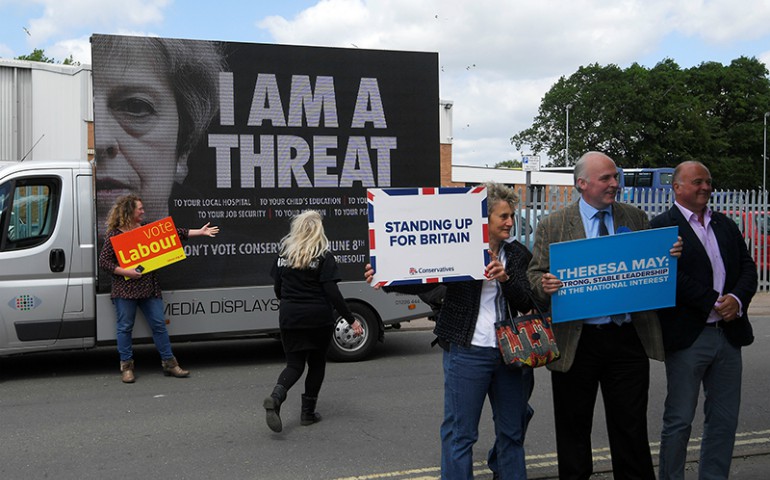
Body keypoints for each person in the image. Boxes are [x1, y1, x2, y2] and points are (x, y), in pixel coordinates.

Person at [365, 182, 535, 480]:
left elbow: (526, 300)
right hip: (467, 351)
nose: (511, 222)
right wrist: (386, 277)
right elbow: (425, 280)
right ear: (485, 218)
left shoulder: (518, 254)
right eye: (504, 216)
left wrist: (506, 278)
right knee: (461, 434)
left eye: (512, 216)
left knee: (512, 432)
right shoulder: (460, 248)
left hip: (511, 353)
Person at [528, 151, 681, 480]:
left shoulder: (635, 217)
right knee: (573, 431)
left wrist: (669, 255)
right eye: (607, 178)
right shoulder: (553, 224)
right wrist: (544, 283)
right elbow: (533, 275)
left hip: (627, 340)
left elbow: (651, 266)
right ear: (582, 184)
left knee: (631, 430)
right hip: (576, 342)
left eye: (616, 177)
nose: (616, 183)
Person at [651, 161, 757, 479]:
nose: (706, 187)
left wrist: (736, 300)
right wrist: (713, 301)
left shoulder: (725, 224)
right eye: (698, 181)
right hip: (689, 337)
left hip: (729, 333)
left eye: (708, 182)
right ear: (678, 187)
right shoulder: (662, 227)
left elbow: (748, 268)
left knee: (724, 419)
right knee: (680, 420)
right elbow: (669, 276)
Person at [98, 194, 220, 383]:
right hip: (124, 290)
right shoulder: (114, 234)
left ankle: (170, 364)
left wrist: (200, 232)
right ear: (129, 211)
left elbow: (175, 233)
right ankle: (127, 367)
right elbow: (104, 262)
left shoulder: (146, 230)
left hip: (149, 289)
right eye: (140, 208)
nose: (143, 211)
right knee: (124, 327)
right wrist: (126, 271)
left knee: (159, 326)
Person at [264, 210, 363, 433]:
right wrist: (351, 319)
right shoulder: (323, 256)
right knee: (316, 364)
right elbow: (332, 293)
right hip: (318, 318)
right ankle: (307, 414)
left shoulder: (284, 254)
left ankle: (276, 397)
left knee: (294, 365)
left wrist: (290, 302)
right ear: (319, 230)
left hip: (290, 316)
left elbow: (278, 289)